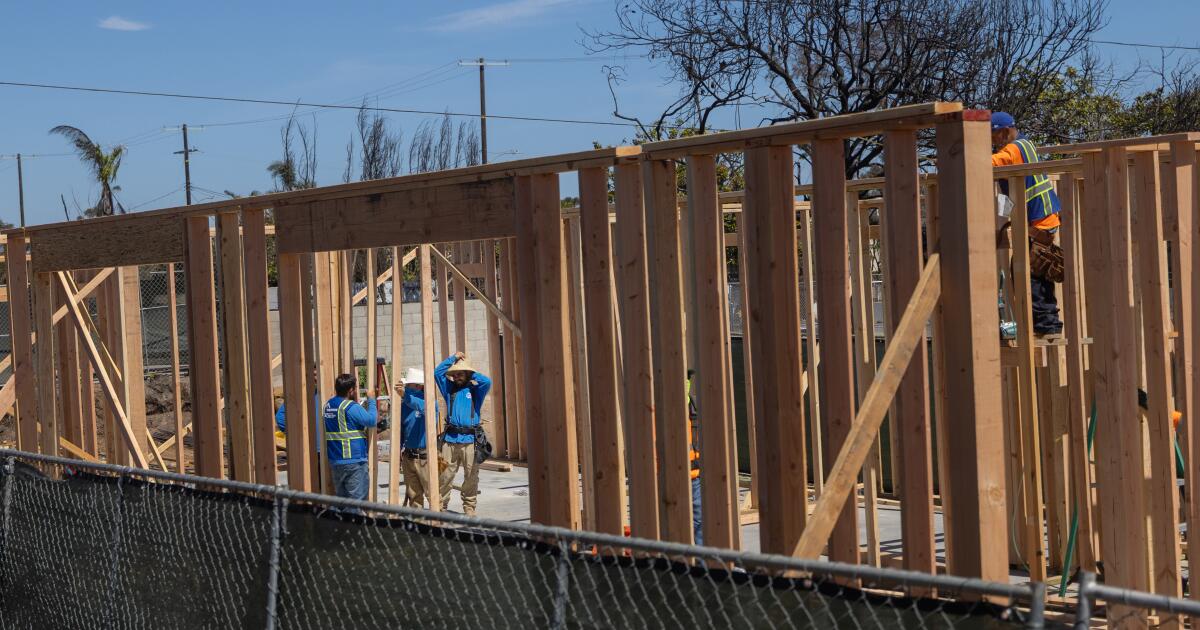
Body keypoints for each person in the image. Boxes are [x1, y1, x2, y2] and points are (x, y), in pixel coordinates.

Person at [990, 111, 1064, 335]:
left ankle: (1047, 326)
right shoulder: (1025, 146)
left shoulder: (1013, 149)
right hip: (1042, 219)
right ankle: (1043, 325)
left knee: (1031, 273)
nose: (992, 142)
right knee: (1035, 271)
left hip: (1039, 222)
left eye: (992, 136)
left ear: (1004, 132)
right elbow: (1008, 194)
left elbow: (987, 164)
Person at [435, 352, 492, 516]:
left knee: (471, 477)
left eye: (461, 373)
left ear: (467, 374)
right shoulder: (448, 389)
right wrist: (453, 358)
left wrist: (470, 370)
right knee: (444, 475)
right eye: (455, 374)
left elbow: (487, 381)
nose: (457, 377)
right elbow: (437, 373)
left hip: (470, 441)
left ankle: (469, 507)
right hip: (449, 440)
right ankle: (440, 506)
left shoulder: (475, 390)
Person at [322, 373, 378, 501]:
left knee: (342, 502)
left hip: (336, 461)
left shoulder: (328, 405)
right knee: (356, 503)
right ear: (351, 390)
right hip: (353, 461)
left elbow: (347, 425)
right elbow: (371, 421)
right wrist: (372, 400)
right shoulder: (349, 407)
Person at [393, 367, 435, 508]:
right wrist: (398, 452)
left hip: (426, 457)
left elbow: (424, 408)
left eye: (408, 386)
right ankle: (418, 525)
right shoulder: (403, 406)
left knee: (433, 494)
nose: (405, 389)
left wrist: (406, 396)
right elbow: (400, 430)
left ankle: (438, 524)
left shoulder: (429, 402)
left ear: (418, 386)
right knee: (414, 496)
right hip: (409, 457)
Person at [687, 369, 702, 546]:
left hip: (694, 476)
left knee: (699, 523)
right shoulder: (655, 410)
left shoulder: (695, 407)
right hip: (665, 478)